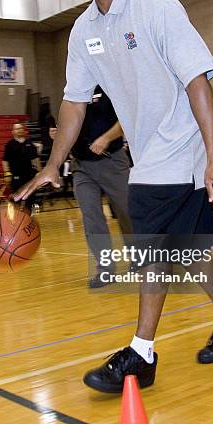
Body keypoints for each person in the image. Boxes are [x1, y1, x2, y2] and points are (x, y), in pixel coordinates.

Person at [14, 0, 213, 393]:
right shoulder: (84, 30)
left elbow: (197, 81)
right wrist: (51, 165)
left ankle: (141, 354)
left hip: (181, 142)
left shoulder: (155, 4)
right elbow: (73, 103)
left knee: (149, 244)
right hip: (146, 148)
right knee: (183, 246)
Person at [71, 85, 133, 288]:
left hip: (112, 161)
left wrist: (106, 138)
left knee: (127, 213)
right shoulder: (72, 89)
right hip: (81, 165)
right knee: (92, 219)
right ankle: (106, 270)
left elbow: (126, 119)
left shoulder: (109, 83)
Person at [2, 123, 40, 210]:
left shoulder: (30, 144)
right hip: (16, 177)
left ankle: (29, 218)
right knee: (16, 200)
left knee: (30, 199)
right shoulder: (9, 145)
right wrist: (7, 172)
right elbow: (5, 160)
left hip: (29, 177)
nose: (19, 130)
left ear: (23, 130)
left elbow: (35, 160)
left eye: (20, 128)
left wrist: (39, 172)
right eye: (17, 129)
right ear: (13, 132)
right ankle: (16, 220)